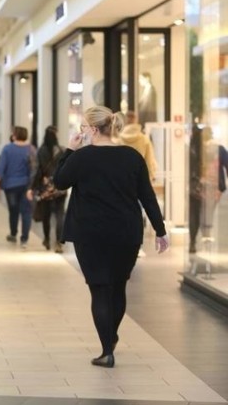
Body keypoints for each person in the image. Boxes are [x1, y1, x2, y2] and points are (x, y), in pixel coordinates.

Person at [53, 105, 169, 368]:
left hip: (90, 234)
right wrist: (160, 231)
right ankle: (112, 335)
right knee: (118, 287)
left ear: (93, 129)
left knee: (100, 290)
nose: (81, 131)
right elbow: (147, 197)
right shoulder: (132, 156)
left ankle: (107, 349)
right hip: (126, 233)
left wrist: (70, 150)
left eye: (83, 127)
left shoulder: (81, 158)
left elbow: (59, 181)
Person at [118, 110, 159, 258]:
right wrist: (151, 177)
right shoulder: (144, 139)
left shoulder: (118, 138)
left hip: (121, 182)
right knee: (138, 212)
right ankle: (137, 244)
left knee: (122, 211)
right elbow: (149, 161)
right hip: (139, 181)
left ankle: (122, 242)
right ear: (136, 120)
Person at [0, 126, 36, 248]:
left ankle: (13, 234)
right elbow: (35, 169)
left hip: (10, 186)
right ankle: (24, 239)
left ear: (14, 135)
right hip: (26, 185)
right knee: (26, 212)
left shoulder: (7, 149)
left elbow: (1, 168)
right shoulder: (31, 150)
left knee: (13, 211)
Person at [188, 124, 228, 253]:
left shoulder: (194, 148)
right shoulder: (219, 149)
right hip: (213, 188)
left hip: (197, 187)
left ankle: (193, 241)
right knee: (208, 211)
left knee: (195, 213)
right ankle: (206, 234)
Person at [31, 126, 67, 252]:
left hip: (46, 186)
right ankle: (58, 243)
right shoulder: (61, 150)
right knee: (60, 215)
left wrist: (33, 186)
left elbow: (38, 170)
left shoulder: (41, 151)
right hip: (60, 186)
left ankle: (46, 239)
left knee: (46, 214)